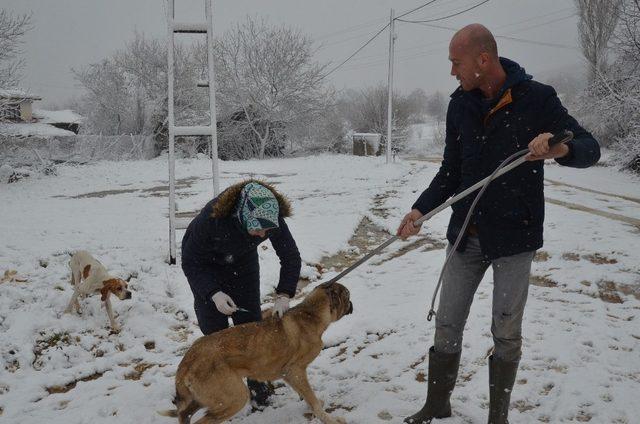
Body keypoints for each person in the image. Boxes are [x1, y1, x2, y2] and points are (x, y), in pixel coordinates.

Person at [397, 24, 600, 424]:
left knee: (506, 332)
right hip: (465, 236)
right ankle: (438, 404)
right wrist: (419, 210)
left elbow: (590, 148)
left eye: (456, 62)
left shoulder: (537, 98)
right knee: (447, 324)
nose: (453, 71)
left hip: (515, 238)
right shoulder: (460, 105)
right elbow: (450, 172)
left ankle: (498, 416)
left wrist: (560, 149)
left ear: (483, 60)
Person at [181, 180, 302, 409]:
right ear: (244, 216)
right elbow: (190, 261)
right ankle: (217, 382)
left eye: (267, 230)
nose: (262, 234)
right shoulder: (212, 219)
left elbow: (290, 257)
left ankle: (257, 382)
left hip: (243, 267)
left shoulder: (270, 219)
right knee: (214, 330)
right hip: (206, 265)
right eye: (258, 228)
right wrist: (213, 293)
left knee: (251, 329)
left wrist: (284, 294)